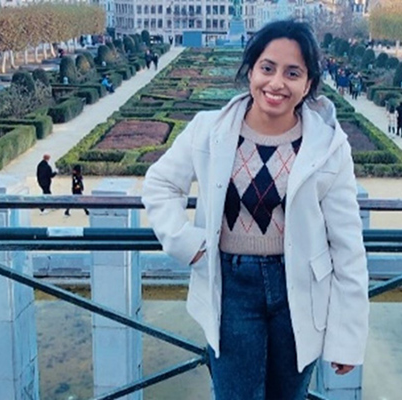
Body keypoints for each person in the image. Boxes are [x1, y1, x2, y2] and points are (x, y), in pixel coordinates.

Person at [142, 19, 369, 400]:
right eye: (267, 68)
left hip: (299, 288)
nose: (276, 83)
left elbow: (347, 245)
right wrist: (186, 243)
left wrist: (348, 335)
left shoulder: (330, 147)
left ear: (309, 83)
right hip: (231, 287)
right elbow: (160, 184)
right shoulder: (207, 129)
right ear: (250, 70)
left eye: (292, 73)